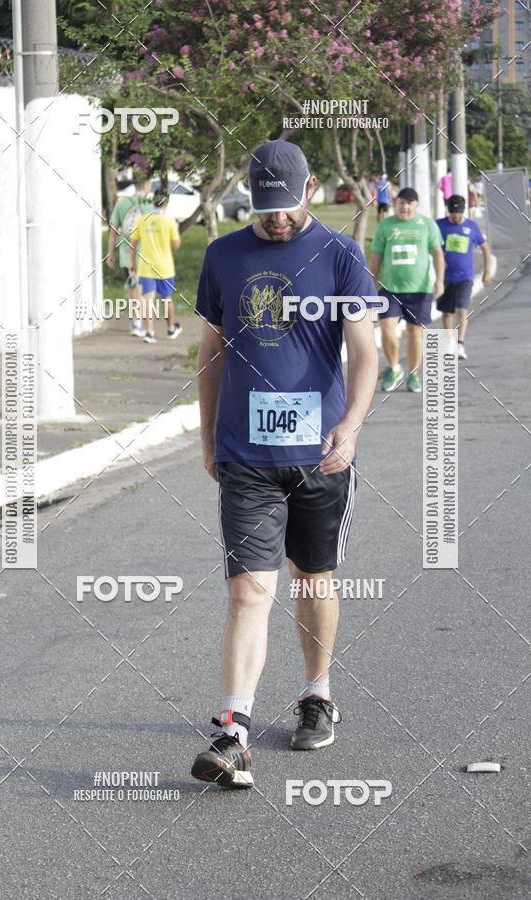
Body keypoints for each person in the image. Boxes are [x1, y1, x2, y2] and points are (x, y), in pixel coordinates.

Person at [190, 140, 378, 789]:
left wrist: (350, 427)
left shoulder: (341, 254)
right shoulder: (223, 256)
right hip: (246, 454)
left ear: (312, 188)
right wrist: (208, 436)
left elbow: (365, 352)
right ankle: (233, 730)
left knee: (313, 580)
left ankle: (316, 694)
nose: (277, 219)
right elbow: (211, 353)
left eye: (288, 207)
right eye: (266, 208)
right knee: (248, 589)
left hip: (320, 458)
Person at [368, 187, 445, 393]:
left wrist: (440, 281)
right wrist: (368, 283)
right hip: (390, 289)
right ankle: (394, 368)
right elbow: (376, 257)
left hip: (419, 289)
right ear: (396, 204)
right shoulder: (385, 226)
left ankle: (413, 374)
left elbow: (437, 253)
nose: (405, 206)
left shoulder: (427, 225)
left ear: (416, 205)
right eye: (401, 202)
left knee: (414, 332)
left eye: (409, 202)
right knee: (386, 328)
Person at [436, 194, 491, 360]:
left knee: (461, 310)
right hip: (445, 277)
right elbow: (431, 247)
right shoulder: (439, 225)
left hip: (465, 277)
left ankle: (460, 343)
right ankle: (449, 342)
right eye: (452, 214)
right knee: (446, 313)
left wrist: (487, 271)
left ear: (463, 211)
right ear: (448, 210)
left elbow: (485, 249)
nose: (455, 217)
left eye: (458, 214)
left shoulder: (472, 226)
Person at [129, 191, 182, 343]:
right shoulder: (169, 221)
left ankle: (149, 332)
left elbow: (132, 244)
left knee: (148, 299)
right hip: (165, 267)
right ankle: (171, 329)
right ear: (167, 203)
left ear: (153, 202)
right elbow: (176, 245)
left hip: (146, 267)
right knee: (166, 298)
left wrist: (133, 264)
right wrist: (176, 229)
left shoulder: (142, 220)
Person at [107, 179, 153, 337]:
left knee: (133, 286)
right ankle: (137, 323)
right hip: (144, 253)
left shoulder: (122, 204)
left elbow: (113, 231)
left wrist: (110, 254)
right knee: (139, 288)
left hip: (127, 254)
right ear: (146, 184)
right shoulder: (149, 205)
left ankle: (134, 321)